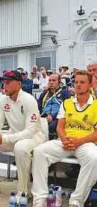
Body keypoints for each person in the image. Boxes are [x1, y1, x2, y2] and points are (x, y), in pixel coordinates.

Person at [0, 70, 46, 201]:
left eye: (8, 82)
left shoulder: (29, 100)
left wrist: (3, 138)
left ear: (18, 84)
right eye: (3, 82)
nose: (4, 85)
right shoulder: (3, 99)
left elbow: (30, 131)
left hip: (35, 138)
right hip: (14, 136)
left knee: (20, 147)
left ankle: (23, 192)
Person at [32, 70, 97, 207]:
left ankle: (76, 201)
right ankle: (40, 198)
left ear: (91, 84)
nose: (78, 85)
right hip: (65, 141)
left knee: (94, 158)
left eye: (82, 82)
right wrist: (64, 140)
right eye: (76, 82)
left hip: (85, 142)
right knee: (39, 152)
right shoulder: (66, 103)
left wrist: (79, 141)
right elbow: (59, 127)